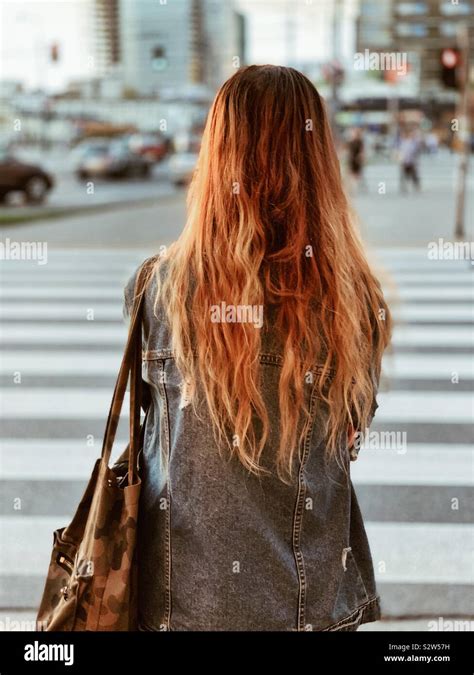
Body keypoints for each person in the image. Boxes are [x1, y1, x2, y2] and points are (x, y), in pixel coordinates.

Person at [124, 65, 392, 632]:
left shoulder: (156, 286)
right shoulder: (353, 301)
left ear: (216, 156)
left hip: (180, 603)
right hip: (305, 605)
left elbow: (153, 435)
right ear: (318, 161)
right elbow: (348, 438)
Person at [346, 127, 366, 193]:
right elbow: (347, 149)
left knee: (357, 174)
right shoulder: (351, 141)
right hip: (352, 159)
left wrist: (361, 156)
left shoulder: (360, 141)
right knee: (352, 174)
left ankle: (356, 187)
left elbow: (362, 150)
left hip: (357, 159)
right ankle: (353, 187)